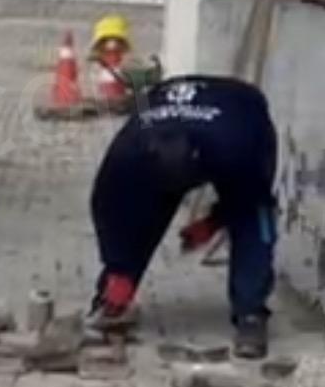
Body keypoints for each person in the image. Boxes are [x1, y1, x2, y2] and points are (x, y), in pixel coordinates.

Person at [87, 74, 277, 358]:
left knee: (254, 218)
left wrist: (213, 221)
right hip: (169, 111)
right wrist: (118, 266)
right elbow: (107, 207)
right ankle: (113, 296)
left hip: (239, 111)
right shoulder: (130, 149)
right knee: (140, 212)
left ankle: (251, 314)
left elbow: (251, 194)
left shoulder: (236, 145)